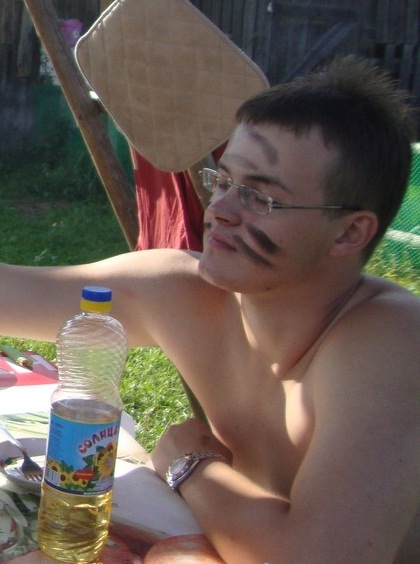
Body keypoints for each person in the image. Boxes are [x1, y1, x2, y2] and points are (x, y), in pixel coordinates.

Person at [0, 56, 419, 563]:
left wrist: (190, 464)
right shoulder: (187, 293)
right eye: (223, 181)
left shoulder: (391, 341)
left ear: (350, 232)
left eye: (259, 197)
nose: (219, 209)